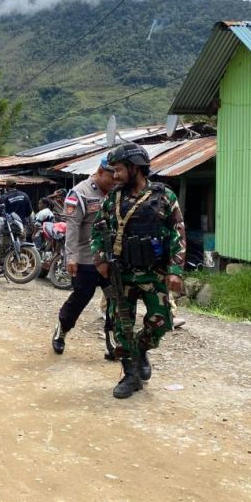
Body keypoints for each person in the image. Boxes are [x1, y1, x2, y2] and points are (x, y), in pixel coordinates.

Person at [91, 143, 185, 399]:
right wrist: (100, 260)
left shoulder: (164, 195)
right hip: (123, 273)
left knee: (161, 322)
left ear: (135, 168)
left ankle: (142, 349)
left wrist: (175, 269)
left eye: (120, 169)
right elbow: (98, 230)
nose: (116, 175)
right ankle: (130, 374)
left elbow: (178, 232)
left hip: (155, 274)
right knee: (122, 326)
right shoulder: (113, 198)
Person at [51, 157, 117, 356]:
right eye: (111, 176)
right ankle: (61, 330)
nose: (115, 180)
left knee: (115, 299)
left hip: (110, 258)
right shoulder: (80, 192)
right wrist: (71, 257)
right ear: (100, 171)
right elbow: (72, 227)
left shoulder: (116, 193)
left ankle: (113, 342)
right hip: (86, 257)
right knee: (82, 296)